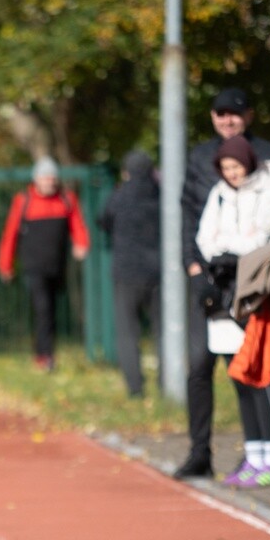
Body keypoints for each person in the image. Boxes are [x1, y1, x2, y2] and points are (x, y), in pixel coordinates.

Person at [175, 88, 270, 479]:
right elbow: (188, 215)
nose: (227, 120)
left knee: (252, 366)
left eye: (234, 114)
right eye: (220, 113)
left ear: (248, 116)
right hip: (208, 281)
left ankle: (264, 456)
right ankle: (199, 451)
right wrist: (193, 267)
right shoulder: (199, 157)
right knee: (199, 368)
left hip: (250, 283)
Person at [194, 135, 270, 486]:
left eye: (236, 167)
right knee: (238, 375)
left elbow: (260, 238)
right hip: (224, 293)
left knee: (259, 376)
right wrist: (225, 249)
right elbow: (205, 238)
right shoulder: (218, 194)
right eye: (226, 168)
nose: (232, 174)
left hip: (253, 294)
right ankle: (254, 455)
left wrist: (230, 246)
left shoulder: (267, 190)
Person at [0, 156, 90, 372]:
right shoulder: (24, 200)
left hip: (57, 266)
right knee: (43, 309)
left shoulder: (67, 199)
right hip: (33, 266)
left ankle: (45, 352)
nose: (49, 181)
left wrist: (81, 243)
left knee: (51, 310)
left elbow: (78, 226)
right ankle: (45, 356)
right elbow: (10, 234)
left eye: (52, 177)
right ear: (36, 179)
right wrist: (5, 264)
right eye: (45, 177)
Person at [97, 150, 161, 397]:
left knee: (127, 333)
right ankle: (168, 383)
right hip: (158, 273)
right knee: (163, 332)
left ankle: (135, 388)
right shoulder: (160, 195)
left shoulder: (119, 197)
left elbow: (103, 220)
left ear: (126, 172)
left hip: (126, 273)